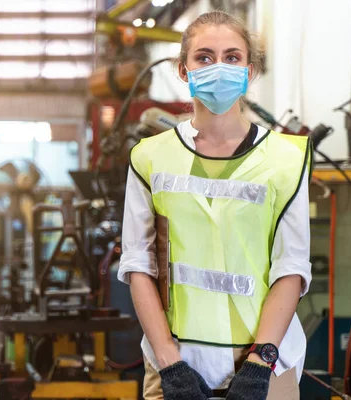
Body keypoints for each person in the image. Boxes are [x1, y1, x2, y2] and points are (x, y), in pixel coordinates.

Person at [117, 10, 312, 400]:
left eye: (232, 57)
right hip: (175, 363)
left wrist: (259, 364)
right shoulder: (149, 156)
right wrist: (169, 362)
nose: (218, 68)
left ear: (250, 71)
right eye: (204, 57)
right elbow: (138, 264)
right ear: (184, 70)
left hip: (266, 364)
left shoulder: (288, 158)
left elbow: (291, 266)